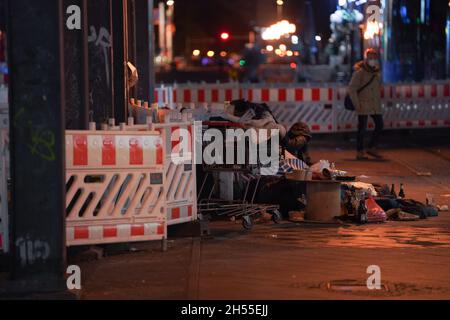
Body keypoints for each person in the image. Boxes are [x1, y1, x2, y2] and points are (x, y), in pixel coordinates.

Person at [348, 48, 384, 160]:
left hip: (374, 104)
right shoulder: (360, 72)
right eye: (371, 58)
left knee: (379, 124)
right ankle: (360, 151)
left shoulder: (376, 72)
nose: (373, 60)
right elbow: (352, 89)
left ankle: (372, 147)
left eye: (375, 58)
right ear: (366, 59)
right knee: (362, 128)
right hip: (363, 104)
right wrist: (357, 104)